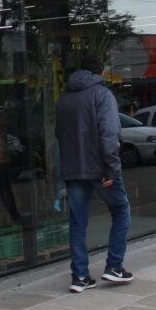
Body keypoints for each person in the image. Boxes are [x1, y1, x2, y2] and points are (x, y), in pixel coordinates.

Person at [55, 54, 133, 293]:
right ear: (101, 73)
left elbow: (59, 134)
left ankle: (80, 277)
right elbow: (109, 134)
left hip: (73, 168)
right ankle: (114, 266)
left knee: (78, 221)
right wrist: (112, 168)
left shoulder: (64, 97)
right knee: (121, 211)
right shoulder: (102, 95)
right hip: (99, 169)